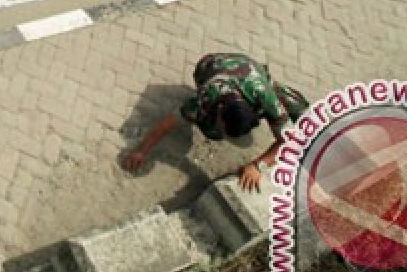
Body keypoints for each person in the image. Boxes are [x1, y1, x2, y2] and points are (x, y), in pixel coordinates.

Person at [120, 53, 307, 192]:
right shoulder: (205, 101)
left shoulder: (263, 96)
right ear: (219, 112)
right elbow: (165, 126)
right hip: (211, 64)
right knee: (212, 132)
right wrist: (141, 150)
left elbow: (290, 142)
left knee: (301, 112)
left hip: (251, 72)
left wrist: (258, 165)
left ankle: (273, 85)